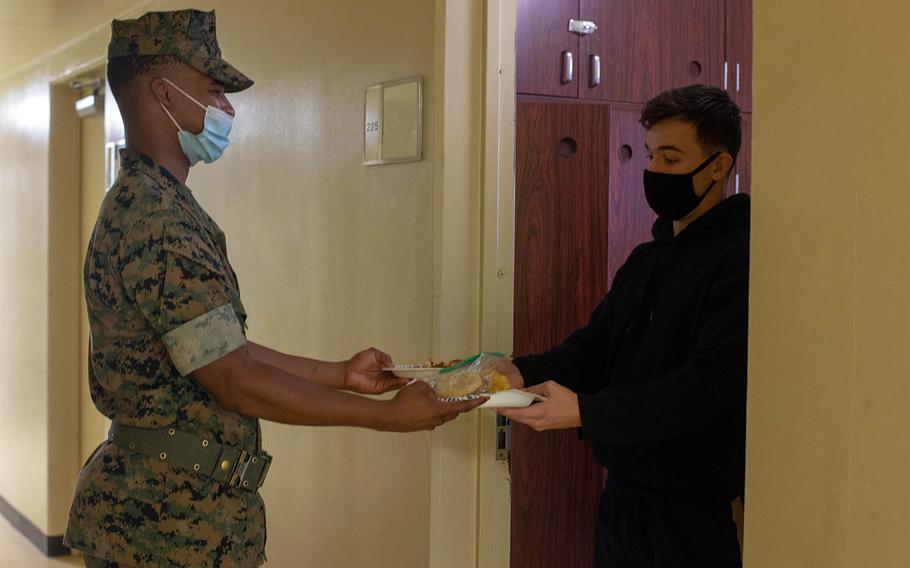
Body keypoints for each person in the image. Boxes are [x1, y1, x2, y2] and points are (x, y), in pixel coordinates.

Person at [64, 10, 484, 568]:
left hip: (175, 522)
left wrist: (343, 375)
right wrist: (387, 417)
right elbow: (234, 381)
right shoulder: (155, 217)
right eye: (213, 91)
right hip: (158, 529)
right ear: (163, 93)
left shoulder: (158, 202)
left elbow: (220, 354)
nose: (227, 109)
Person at [497, 84, 749, 568]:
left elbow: (707, 387)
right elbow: (594, 351)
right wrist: (517, 373)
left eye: (672, 160)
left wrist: (589, 413)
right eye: (651, 156)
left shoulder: (740, 257)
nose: (654, 171)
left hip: (693, 517)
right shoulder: (646, 259)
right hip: (622, 502)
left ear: (718, 166)